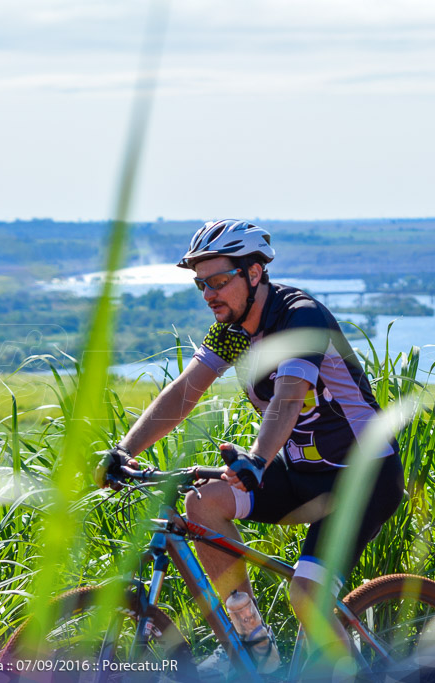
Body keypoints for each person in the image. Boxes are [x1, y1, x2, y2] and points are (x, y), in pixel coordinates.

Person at [97, 219, 405, 672]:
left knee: (306, 597)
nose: (209, 294)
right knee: (204, 503)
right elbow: (186, 392)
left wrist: (258, 459)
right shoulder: (231, 331)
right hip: (303, 474)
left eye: (220, 281)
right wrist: (124, 452)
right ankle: (255, 648)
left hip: (364, 478)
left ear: (255, 273)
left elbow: (288, 397)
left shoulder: (301, 316)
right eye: (202, 284)